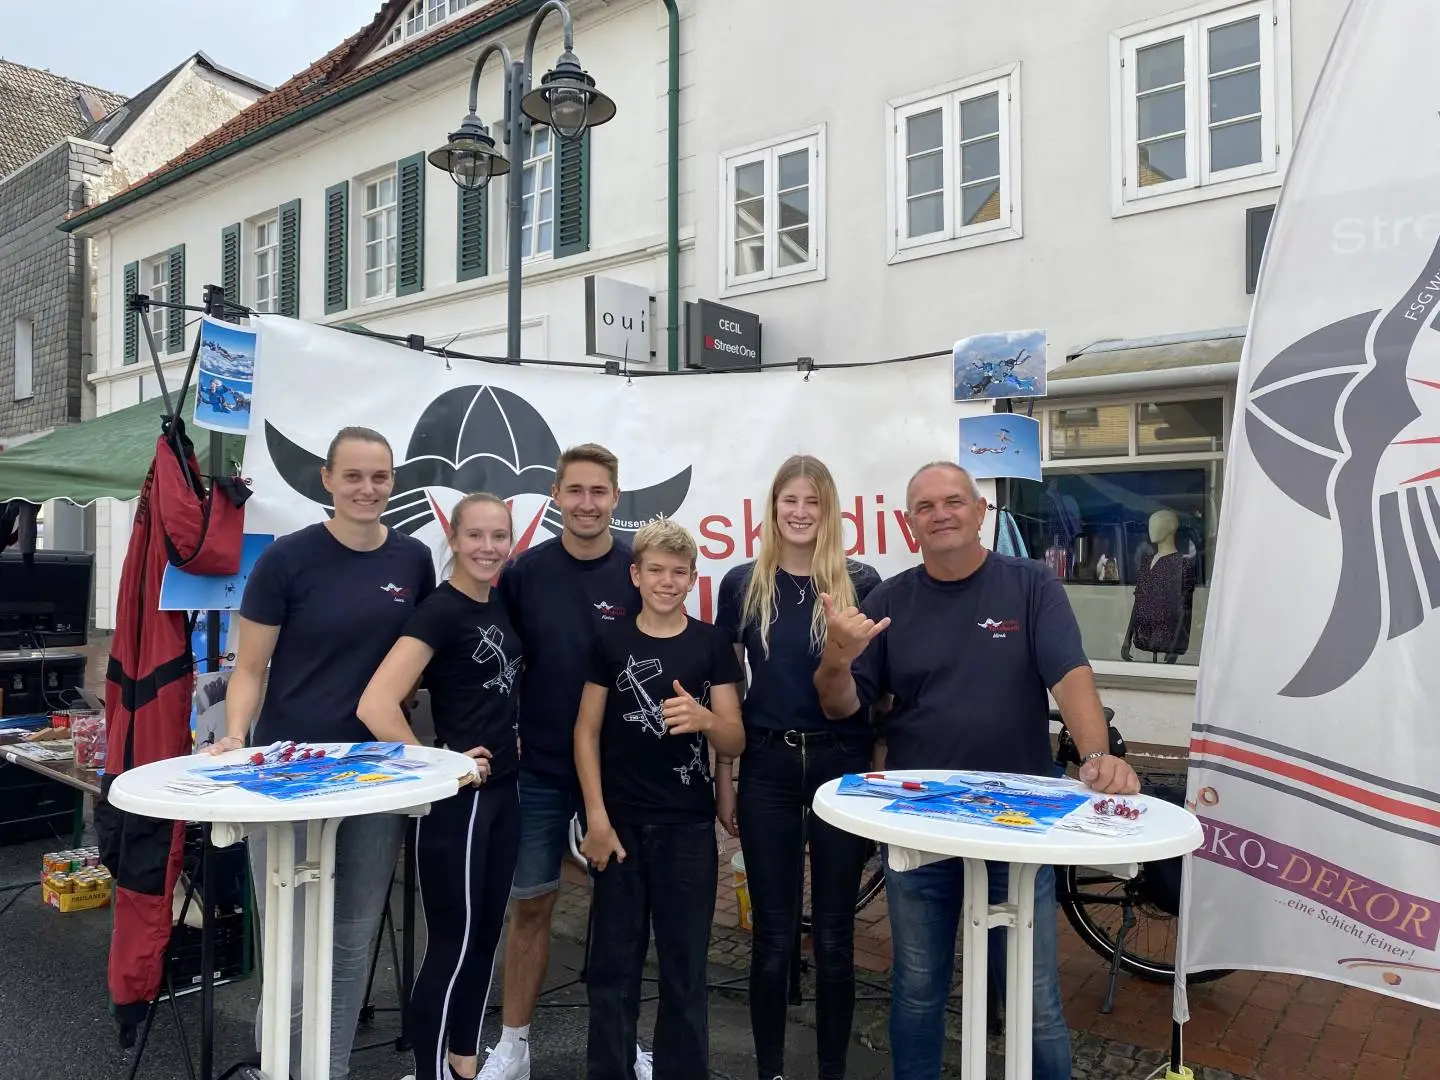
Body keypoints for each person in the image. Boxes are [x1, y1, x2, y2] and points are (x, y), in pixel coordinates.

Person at [813, 462, 1140, 1080]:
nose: (941, 514)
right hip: (918, 825)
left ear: (980, 512)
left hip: (1017, 825)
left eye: (953, 501)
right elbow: (840, 704)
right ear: (910, 526)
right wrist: (836, 655)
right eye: (925, 507)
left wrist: (1096, 756)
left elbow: (1070, 676)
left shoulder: (1031, 586)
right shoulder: (887, 602)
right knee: (916, 989)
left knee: (1033, 998)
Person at [213, 425, 436, 1079]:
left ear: (393, 482)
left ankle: (328, 1070)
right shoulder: (288, 559)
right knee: (290, 944)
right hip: (287, 773)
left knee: (350, 941)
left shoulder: (413, 560)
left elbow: (418, 658)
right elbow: (250, 667)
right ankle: (277, 1067)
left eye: (380, 477)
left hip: (375, 776)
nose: (368, 489)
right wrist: (234, 733)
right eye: (355, 476)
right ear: (328, 481)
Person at [480, 443, 646, 1080]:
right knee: (531, 906)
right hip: (542, 770)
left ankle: (621, 1041)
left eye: (598, 492)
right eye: (574, 491)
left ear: (615, 498)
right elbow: (499, 662)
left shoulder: (636, 573)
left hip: (619, 773)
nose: (586, 503)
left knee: (623, 915)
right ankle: (514, 1044)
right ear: (556, 496)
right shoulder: (525, 574)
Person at [714, 455, 882, 1080]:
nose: (801, 513)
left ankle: (832, 1069)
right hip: (767, 763)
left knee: (837, 937)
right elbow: (724, 687)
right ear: (774, 506)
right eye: (791, 500)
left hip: (841, 764)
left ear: (830, 509)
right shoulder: (742, 582)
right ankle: (770, 1070)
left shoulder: (858, 581)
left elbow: (876, 693)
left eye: (813, 501)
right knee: (772, 938)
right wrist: (724, 777)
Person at [356, 493, 523, 1080]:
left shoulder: (495, 601)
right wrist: (434, 763)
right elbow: (376, 703)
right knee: (451, 945)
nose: (488, 547)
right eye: (475, 535)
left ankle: (463, 1064)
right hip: (461, 803)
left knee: (484, 938)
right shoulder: (440, 610)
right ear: (453, 539)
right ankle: (427, 1072)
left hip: (505, 792)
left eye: (498, 536)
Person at [575, 518, 746, 1080]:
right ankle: (611, 1070)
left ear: (693, 578)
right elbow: (587, 732)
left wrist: (704, 719)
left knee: (684, 970)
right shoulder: (611, 640)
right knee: (612, 969)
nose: (667, 582)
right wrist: (596, 819)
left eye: (678, 572)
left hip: (687, 830)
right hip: (620, 828)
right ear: (636, 575)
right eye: (656, 571)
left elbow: (735, 737)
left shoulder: (712, 643)